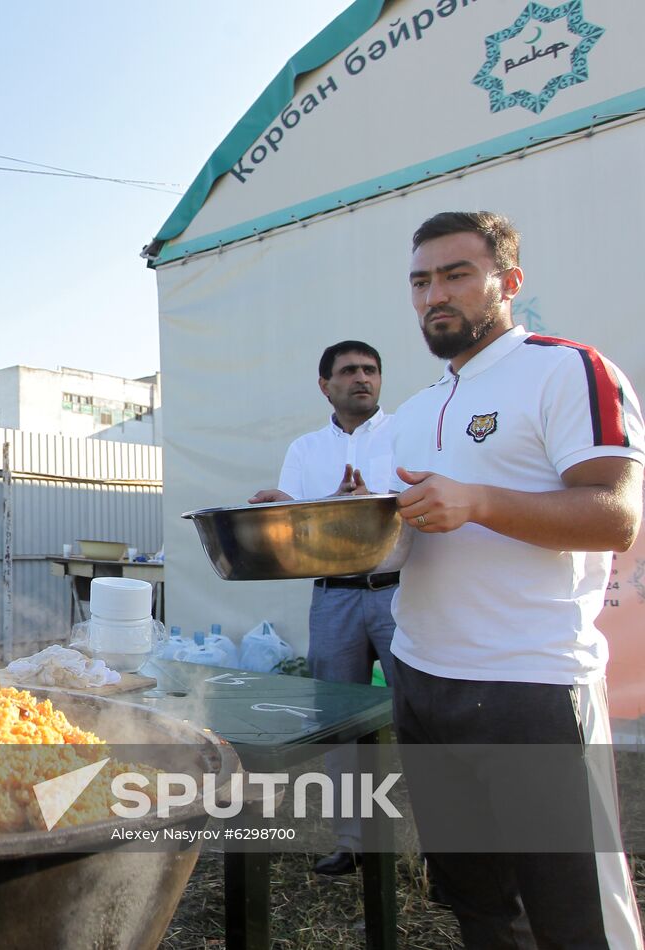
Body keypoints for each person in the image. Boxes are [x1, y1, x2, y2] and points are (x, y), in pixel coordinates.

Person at [391, 211, 643, 947]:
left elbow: (615, 516)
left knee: (575, 915)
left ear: (510, 282)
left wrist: (478, 503)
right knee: (478, 906)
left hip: (529, 688)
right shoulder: (416, 410)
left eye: (456, 274)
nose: (436, 294)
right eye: (421, 281)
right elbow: (396, 531)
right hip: (422, 679)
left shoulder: (565, 368)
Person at [249, 340, 399, 875]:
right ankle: (354, 842)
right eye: (350, 371)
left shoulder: (408, 434)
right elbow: (295, 534)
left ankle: (445, 853)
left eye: (371, 370)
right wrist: (309, 512)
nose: (363, 378)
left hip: (401, 593)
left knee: (425, 717)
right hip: (334, 596)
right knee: (342, 721)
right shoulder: (305, 450)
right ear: (325, 385)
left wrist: (366, 504)